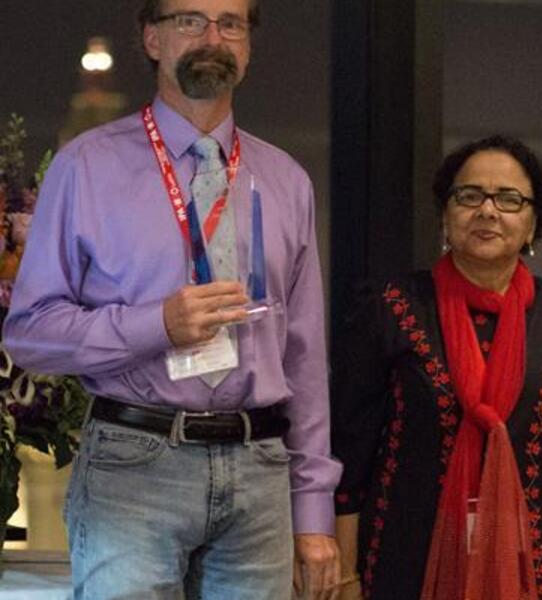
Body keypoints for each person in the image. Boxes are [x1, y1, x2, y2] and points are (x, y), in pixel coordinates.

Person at [2, 1, 342, 597]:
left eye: (230, 23)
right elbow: (30, 332)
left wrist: (313, 512)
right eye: (190, 20)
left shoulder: (286, 180)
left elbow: (305, 358)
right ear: (153, 38)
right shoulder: (87, 168)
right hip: (135, 465)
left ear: (248, 47)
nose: (212, 36)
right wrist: (156, 324)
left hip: (260, 470)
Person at [331, 135, 542, 600]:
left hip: (536, 566)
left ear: (534, 225)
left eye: (509, 199)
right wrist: (347, 573)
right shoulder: (392, 308)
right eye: (469, 196)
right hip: (405, 562)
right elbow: (350, 448)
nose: (488, 211)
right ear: (445, 215)